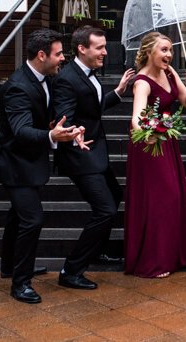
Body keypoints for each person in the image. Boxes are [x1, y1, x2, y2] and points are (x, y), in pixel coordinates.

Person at [0, 29, 83, 304]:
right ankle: (21, 284)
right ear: (41, 55)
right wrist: (51, 136)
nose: (63, 58)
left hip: (29, 161)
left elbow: (39, 118)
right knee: (32, 220)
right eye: (59, 54)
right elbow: (21, 131)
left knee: (17, 216)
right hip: (15, 164)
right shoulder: (17, 87)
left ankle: (10, 267)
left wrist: (62, 130)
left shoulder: (45, 78)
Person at [53, 26, 134, 290]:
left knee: (115, 195)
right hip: (81, 153)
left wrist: (118, 92)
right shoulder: (66, 79)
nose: (105, 52)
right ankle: (70, 270)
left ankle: (97, 251)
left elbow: (92, 108)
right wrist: (74, 132)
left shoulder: (87, 73)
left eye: (104, 47)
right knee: (105, 209)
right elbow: (65, 114)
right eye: (99, 47)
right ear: (82, 49)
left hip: (96, 151)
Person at [124, 32, 186, 278]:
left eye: (171, 50)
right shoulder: (142, 82)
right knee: (160, 199)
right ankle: (153, 261)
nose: (169, 55)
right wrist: (148, 132)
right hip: (149, 144)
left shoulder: (170, 73)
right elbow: (136, 118)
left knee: (173, 197)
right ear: (149, 52)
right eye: (164, 50)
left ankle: (171, 256)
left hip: (167, 143)